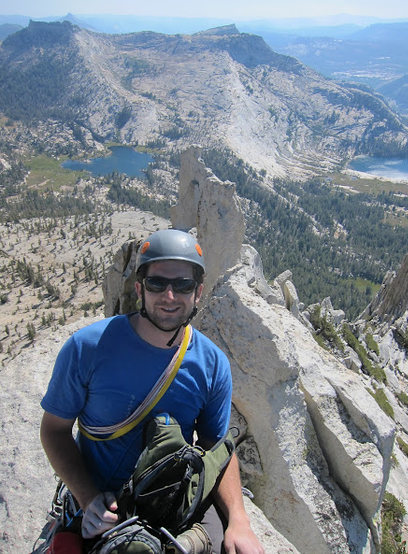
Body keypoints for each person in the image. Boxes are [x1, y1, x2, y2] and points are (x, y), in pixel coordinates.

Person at [40, 228, 264, 554]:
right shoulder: (87, 348)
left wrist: (239, 521)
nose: (169, 297)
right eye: (157, 284)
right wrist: (87, 498)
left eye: (183, 286)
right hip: (102, 503)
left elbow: (217, 446)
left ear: (198, 292)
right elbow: (54, 430)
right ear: (139, 289)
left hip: (169, 495)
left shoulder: (212, 364)